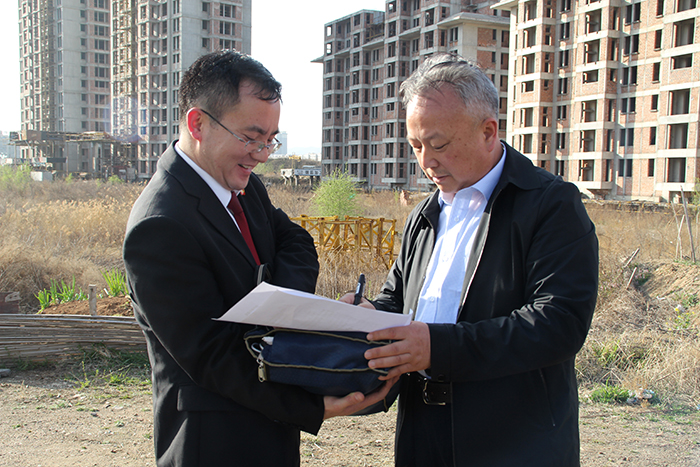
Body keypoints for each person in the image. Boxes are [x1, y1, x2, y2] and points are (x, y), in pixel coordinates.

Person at [123, 50, 393, 467]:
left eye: (270, 139)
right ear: (198, 124)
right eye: (251, 137)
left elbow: (297, 242)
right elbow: (212, 356)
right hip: (214, 443)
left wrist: (282, 309)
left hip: (271, 433)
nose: (263, 154)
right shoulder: (161, 225)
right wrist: (313, 406)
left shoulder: (244, 188)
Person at [342, 53, 598, 466]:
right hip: (422, 434)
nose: (426, 161)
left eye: (439, 144)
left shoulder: (550, 205)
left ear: (488, 131)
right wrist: (368, 315)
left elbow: (558, 324)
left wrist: (438, 348)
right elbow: (398, 300)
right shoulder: (424, 214)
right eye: (415, 146)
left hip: (515, 442)